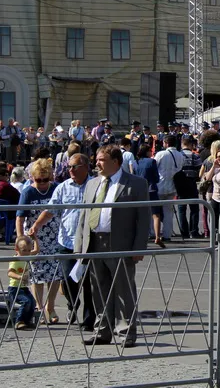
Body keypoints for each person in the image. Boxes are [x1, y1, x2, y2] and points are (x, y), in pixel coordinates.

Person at [74, 145, 150, 347]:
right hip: (95, 243)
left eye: (101, 160)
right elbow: (83, 217)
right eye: (96, 160)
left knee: (123, 290)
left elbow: (143, 218)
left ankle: (125, 332)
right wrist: (79, 247)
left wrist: (139, 247)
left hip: (121, 244)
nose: (96, 164)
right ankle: (102, 331)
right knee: (98, 289)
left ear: (115, 162)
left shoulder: (136, 184)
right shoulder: (92, 184)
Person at [26, 153, 94, 328]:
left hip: (88, 242)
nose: (70, 170)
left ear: (85, 167)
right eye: (69, 167)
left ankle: (89, 319)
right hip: (66, 241)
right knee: (67, 278)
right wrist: (36, 225)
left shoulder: (95, 185)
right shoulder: (63, 187)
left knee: (88, 282)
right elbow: (50, 210)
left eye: (74, 167)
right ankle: (72, 303)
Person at [16, 157, 62, 324]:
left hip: (55, 236)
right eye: (38, 179)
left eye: (46, 179)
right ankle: (39, 307)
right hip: (36, 238)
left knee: (55, 274)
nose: (42, 183)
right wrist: (21, 239)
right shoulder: (28, 192)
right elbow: (20, 217)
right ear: (32, 178)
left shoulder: (56, 188)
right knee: (37, 275)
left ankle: (51, 306)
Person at [154, 135, 184, 241]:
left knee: (155, 211)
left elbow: (154, 167)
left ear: (166, 143)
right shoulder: (180, 155)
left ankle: (154, 233)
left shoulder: (160, 154)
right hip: (173, 186)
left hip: (160, 185)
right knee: (168, 212)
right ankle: (167, 234)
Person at [133, 144, 164, 248]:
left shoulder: (137, 162)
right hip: (151, 189)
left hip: (140, 189)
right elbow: (156, 178)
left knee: (141, 214)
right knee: (156, 215)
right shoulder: (151, 161)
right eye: (150, 151)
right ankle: (157, 237)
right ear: (147, 152)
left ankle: (142, 236)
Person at [7, 235, 39, 330]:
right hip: (15, 288)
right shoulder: (15, 260)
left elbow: (37, 251)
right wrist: (19, 277)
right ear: (17, 249)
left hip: (24, 287)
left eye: (29, 250)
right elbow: (10, 272)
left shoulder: (27, 256)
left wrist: (35, 239)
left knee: (32, 302)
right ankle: (19, 321)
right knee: (26, 302)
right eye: (24, 250)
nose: (27, 253)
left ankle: (27, 321)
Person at [177, 136, 203, 239]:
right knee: (194, 209)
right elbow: (199, 169)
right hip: (191, 183)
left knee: (181, 209)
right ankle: (194, 231)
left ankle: (184, 232)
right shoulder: (195, 156)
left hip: (180, 184)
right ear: (190, 145)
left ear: (182, 144)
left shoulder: (178, 155)